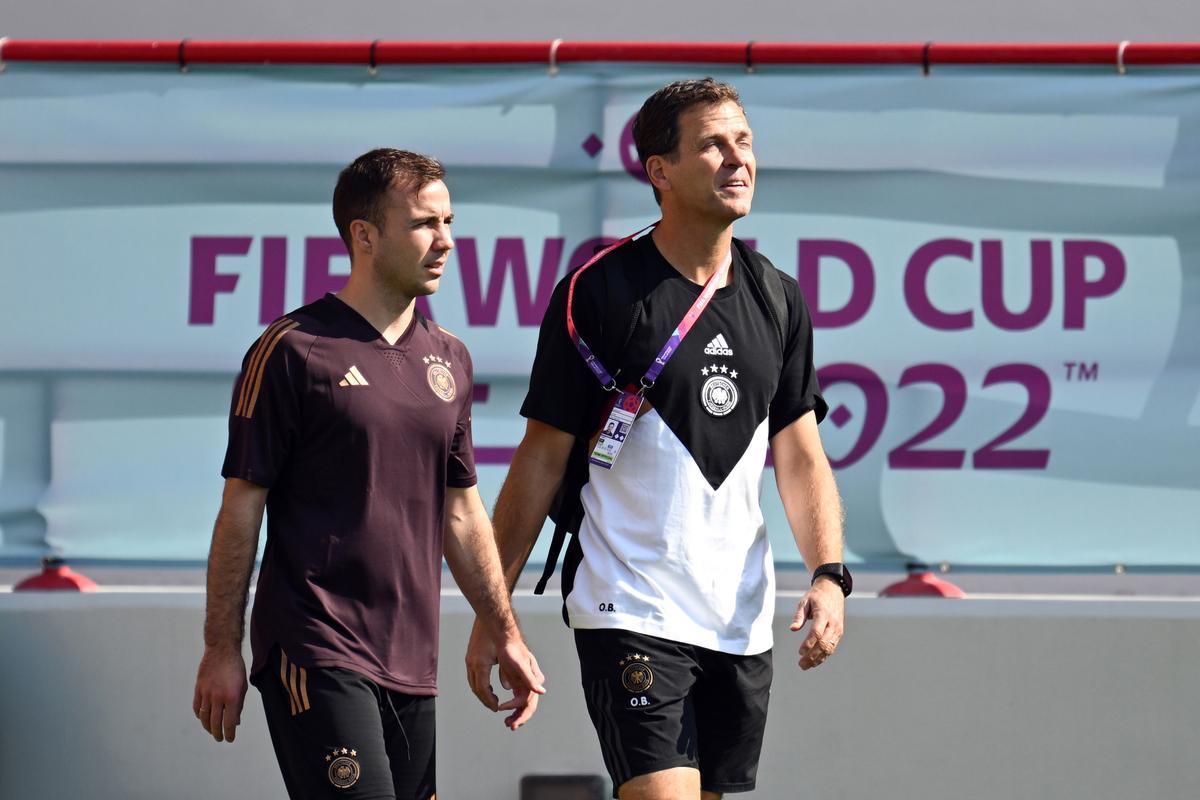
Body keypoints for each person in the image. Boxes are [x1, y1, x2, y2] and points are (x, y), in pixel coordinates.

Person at [466, 79, 849, 800]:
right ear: (660, 171)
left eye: (745, 142)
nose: (738, 160)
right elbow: (542, 457)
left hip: (738, 615)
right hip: (629, 601)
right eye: (713, 144)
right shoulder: (599, 290)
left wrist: (829, 574)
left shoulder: (778, 295)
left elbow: (799, 455)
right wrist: (497, 611)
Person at [192, 148, 545, 800]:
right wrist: (222, 649)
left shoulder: (450, 359)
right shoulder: (294, 349)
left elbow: (461, 514)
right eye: (423, 224)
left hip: (413, 659)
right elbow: (241, 507)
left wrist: (506, 632)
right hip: (314, 644)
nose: (445, 241)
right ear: (364, 235)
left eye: (448, 222)